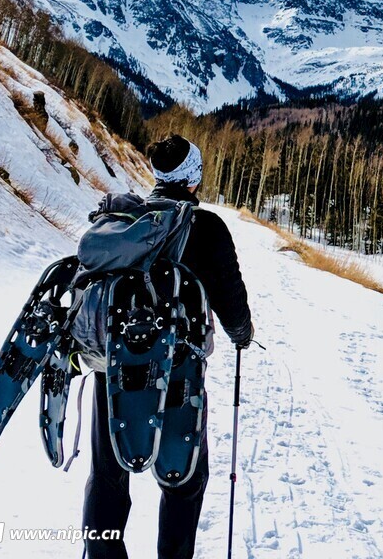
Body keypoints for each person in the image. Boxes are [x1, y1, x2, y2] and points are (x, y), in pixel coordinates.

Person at [83, 135, 254, 559]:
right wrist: (242, 335)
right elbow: (231, 301)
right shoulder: (206, 227)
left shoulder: (130, 223)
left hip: (114, 367)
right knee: (184, 479)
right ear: (193, 177)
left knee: (107, 476)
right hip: (178, 372)